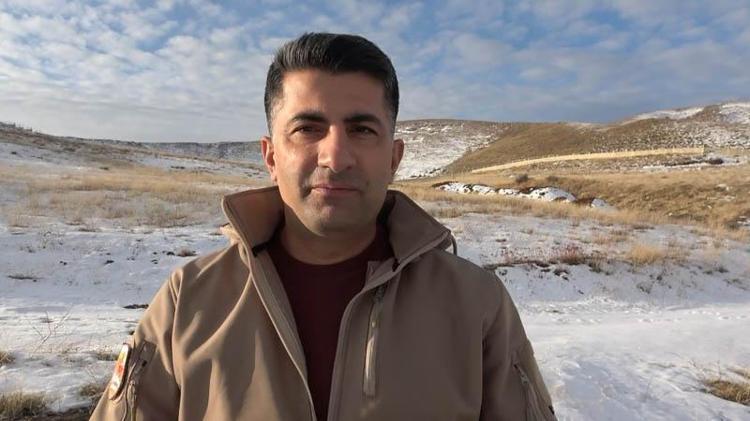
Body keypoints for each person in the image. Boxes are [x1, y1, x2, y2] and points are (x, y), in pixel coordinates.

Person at [91, 32, 556, 421]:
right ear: (271, 156)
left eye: (362, 130)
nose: (335, 156)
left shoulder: (476, 304)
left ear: (394, 158)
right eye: (308, 129)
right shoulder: (189, 300)